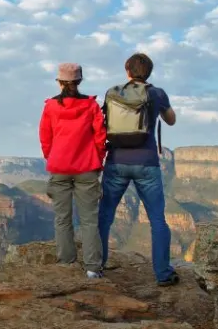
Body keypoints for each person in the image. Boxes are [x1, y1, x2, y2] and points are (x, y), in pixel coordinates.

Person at [98, 52, 179, 286]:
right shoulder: (156, 93)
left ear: (127, 71)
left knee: (105, 217)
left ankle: (98, 266)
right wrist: (162, 108)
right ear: (149, 73)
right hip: (146, 163)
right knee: (157, 220)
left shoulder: (113, 92)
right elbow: (171, 120)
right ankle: (163, 273)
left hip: (116, 160)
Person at [39, 62, 107, 279]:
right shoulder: (91, 106)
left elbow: (45, 137)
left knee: (62, 218)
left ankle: (67, 262)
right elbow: (100, 136)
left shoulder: (50, 106)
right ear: (79, 82)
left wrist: (54, 157)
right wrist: (97, 158)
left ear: (59, 82)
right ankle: (92, 268)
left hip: (59, 168)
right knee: (89, 220)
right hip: (87, 167)